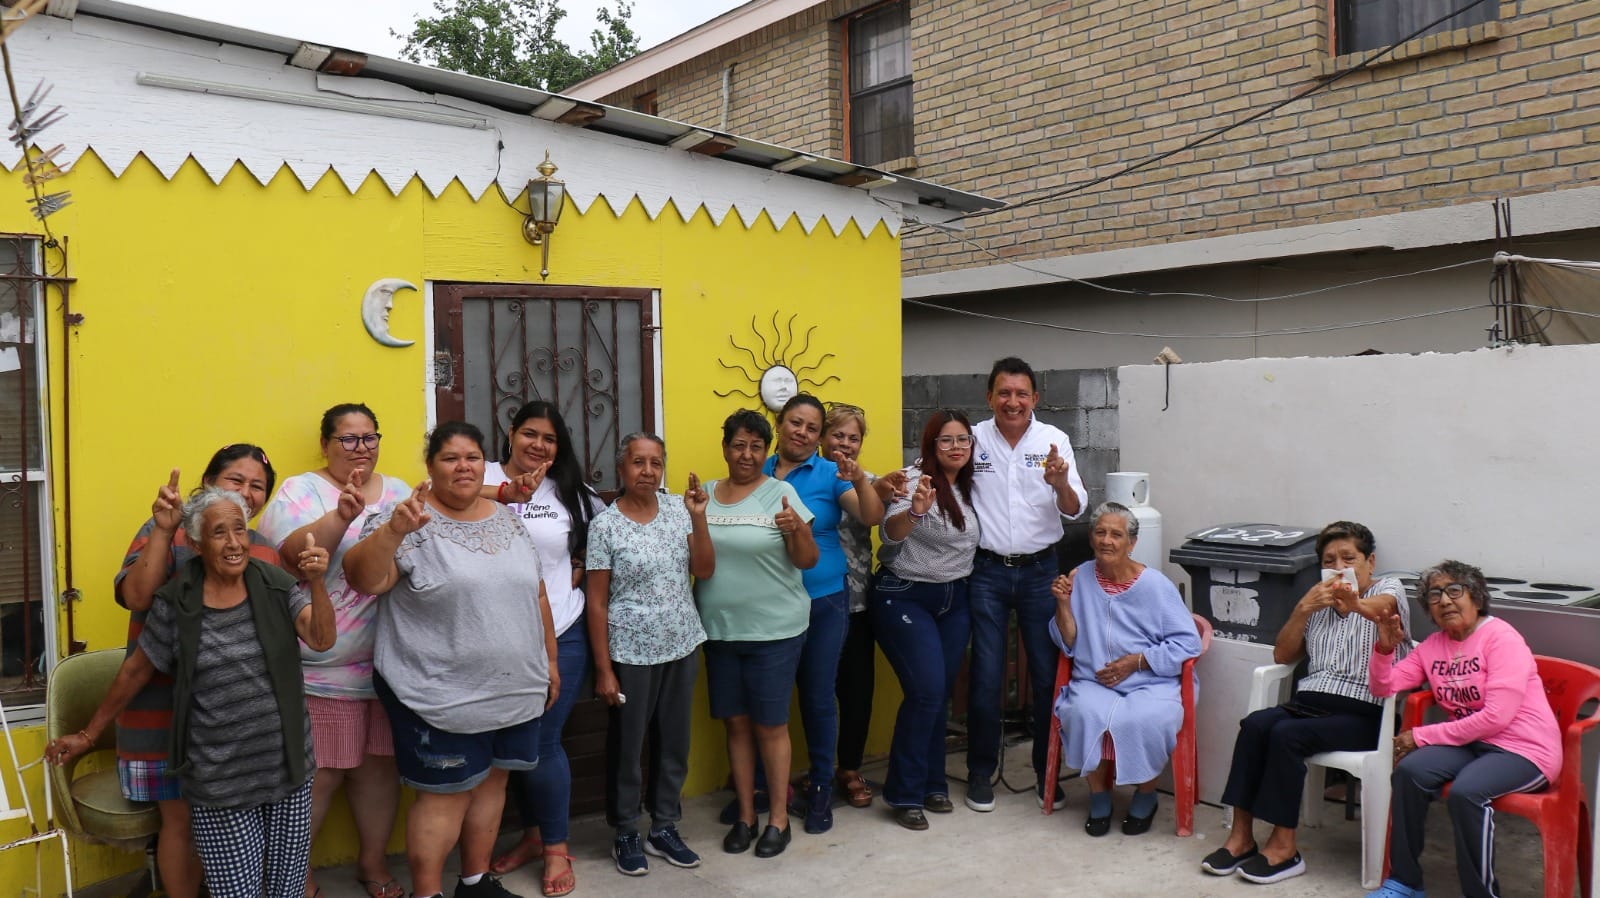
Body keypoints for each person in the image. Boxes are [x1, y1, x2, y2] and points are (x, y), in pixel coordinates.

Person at [50, 488, 337, 898]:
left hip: (287, 769)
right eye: (220, 533)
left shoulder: (274, 583)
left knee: (287, 891)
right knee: (235, 893)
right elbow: (135, 671)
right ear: (198, 545)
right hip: (220, 781)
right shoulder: (176, 602)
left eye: (240, 530)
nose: (234, 543)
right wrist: (87, 734)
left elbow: (321, 638)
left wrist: (318, 583)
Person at [343, 422, 559, 898]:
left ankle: (475, 882)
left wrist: (550, 660)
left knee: (492, 784)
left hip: (514, 687)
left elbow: (537, 593)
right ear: (430, 466)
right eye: (450, 458)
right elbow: (364, 579)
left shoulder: (508, 519)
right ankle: (428, 892)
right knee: (445, 796)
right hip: (438, 693)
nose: (464, 466)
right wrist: (394, 531)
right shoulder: (406, 518)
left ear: (485, 465)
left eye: (473, 457)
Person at [112, 446, 281, 898]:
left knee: (227, 820)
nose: (247, 492)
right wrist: (164, 532)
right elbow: (136, 597)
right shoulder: (165, 530)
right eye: (235, 480)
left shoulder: (261, 547)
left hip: (229, 724)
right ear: (207, 482)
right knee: (181, 819)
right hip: (162, 713)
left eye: (258, 486)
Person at [1203, 521, 1411, 883]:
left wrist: (1353, 602)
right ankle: (1241, 837)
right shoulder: (1317, 603)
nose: (1339, 567)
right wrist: (1302, 609)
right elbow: (1283, 656)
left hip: (1366, 714)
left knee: (1287, 736)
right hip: (1309, 705)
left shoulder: (1388, 588)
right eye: (1329, 561)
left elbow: (1383, 609)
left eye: (1348, 558)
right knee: (1255, 725)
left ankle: (1284, 847)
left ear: (1370, 562)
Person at [259, 403, 409, 898]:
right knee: (319, 777)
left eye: (369, 437)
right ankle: (297, 875)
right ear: (325, 444)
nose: (360, 448)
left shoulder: (398, 492)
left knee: (378, 770)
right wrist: (342, 516)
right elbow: (291, 559)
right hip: (321, 669)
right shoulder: (301, 491)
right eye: (348, 438)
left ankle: (373, 863)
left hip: (388, 665)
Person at [1365, 560, 1561, 898]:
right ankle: (1405, 881)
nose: (1444, 600)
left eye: (1454, 591)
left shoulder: (1501, 638)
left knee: (1467, 792)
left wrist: (1421, 736)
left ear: (1477, 597)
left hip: (1524, 750)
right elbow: (1384, 687)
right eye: (1434, 595)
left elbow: (1496, 717)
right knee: (1409, 773)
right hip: (1471, 744)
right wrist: (1384, 650)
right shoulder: (1432, 647)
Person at [482, 402, 602, 898]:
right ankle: (532, 836)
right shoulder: (480, 477)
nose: (538, 445)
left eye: (549, 439)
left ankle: (555, 847)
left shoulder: (572, 492)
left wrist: (579, 564)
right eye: (530, 434)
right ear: (510, 433)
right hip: (492, 636)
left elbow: (601, 540)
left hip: (563, 630)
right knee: (508, 744)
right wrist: (503, 493)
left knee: (542, 740)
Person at [585, 433, 714, 877]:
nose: (647, 471)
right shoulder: (605, 525)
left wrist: (699, 519)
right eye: (638, 462)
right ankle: (625, 830)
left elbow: (704, 569)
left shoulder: (679, 510)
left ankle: (663, 825)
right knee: (627, 745)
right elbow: (596, 602)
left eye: (656, 463)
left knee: (674, 741)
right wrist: (604, 669)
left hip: (680, 644)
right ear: (621, 468)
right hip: (630, 651)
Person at [967, 357, 1088, 812]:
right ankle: (980, 772)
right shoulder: (973, 439)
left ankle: (1046, 773)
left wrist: (1059, 483)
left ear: (1035, 398)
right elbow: (935, 470)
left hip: (1041, 572)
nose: (1012, 402)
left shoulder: (1053, 440)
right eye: (1004, 393)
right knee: (986, 675)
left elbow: (1074, 508)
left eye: (1021, 394)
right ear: (990, 398)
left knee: (1046, 675)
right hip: (987, 571)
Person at [760, 393, 885, 834]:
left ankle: (820, 788)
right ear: (779, 423)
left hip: (825, 599)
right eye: (795, 423)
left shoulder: (832, 473)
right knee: (770, 697)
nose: (802, 432)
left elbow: (871, 515)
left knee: (818, 697)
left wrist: (860, 479)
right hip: (770, 601)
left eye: (811, 428)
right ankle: (766, 785)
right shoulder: (758, 469)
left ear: (819, 437)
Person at [699, 409, 818, 859]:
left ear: (766, 451)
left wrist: (796, 530)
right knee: (736, 724)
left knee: (770, 725)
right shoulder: (705, 495)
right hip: (721, 631)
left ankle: (778, 820)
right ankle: (746, 816)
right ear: (725, 448)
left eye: (755, 446)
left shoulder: (780, 494)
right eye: (738, 445)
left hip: (775, 630)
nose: (746, 454)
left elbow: (807, 560)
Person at [1049, 502, 1202, 837]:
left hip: (1151, 681)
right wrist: (1063, 605)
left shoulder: (1155, 585)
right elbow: (1068, 641)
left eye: (1116, 535)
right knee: (1081, 712)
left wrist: (1137, 661)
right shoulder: (1080, 577)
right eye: (1100, 532)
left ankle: (1146, 794)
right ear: (1091, 538)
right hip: (1094, 679)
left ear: (1132, 543)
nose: (1107, 540)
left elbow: (1188, 643)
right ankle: (1099, 795)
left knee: (1145, 719)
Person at [872, 411, 979, 830]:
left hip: (955, 598)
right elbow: (889, 534)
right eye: (946, 440)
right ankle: (905, 792)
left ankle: (934, 782)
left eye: (963, 440)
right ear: (930, 444)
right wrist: (915, 513)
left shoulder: (972, 484)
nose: (956, 448)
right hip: (906, 593)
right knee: (926, 691)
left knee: (938, 694)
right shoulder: (914, 479)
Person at [826, 402, 905, 810]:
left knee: (857, 691)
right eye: (838, 434)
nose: (845, 443)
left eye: (853, 437)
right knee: (814, 692)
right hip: (809, 603)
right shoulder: (804, 478)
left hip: (856, 602)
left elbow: (880, 507)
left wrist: (885, 486)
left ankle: (849, 768)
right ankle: (816, 771)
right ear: (822, 437)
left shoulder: (868, 480)